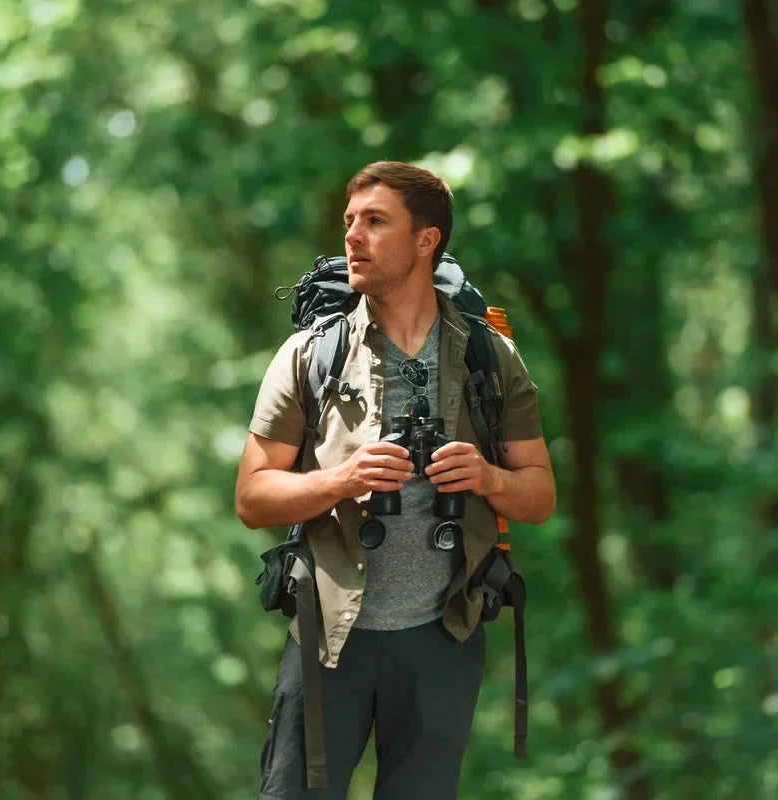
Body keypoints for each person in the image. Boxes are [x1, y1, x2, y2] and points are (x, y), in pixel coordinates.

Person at [235, 161, 556, 800]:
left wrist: (488, 476)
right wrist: (340, 481)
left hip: (444, 637)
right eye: (350, 221)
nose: (352, 236)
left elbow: (540, 494)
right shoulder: (310, 355)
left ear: (426, 240)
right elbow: (252, 497)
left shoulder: (491, 355)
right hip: (328, 639)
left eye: (375, 222)